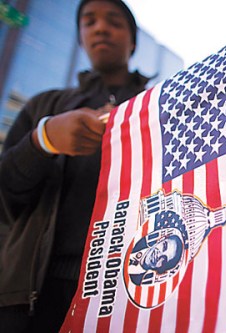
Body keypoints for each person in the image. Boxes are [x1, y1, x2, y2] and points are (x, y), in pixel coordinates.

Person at [0, 1, 148, 331]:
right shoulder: (44, 105)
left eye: (114, 21)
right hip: (33, 294)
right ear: (80, 37)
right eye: (89, 21)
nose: (100, 28)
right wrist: (43, 140)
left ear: (133, 41)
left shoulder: (154, 110)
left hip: (131, 292)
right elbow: (5, 192)